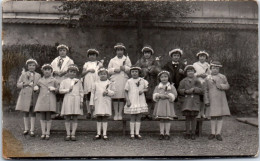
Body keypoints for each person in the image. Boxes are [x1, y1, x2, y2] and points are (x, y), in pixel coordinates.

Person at [204, 61, 230, 141]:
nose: (215, 70)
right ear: (210, 69)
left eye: (217, 68)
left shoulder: (222, 77)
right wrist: (206, 100)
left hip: (220, 98)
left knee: (219, 116)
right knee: (213, 115)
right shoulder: (207, 78)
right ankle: (212, 133)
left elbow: (227, 86)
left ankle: (218, 133)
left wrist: (221, 86)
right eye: (213, 68)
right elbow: (205, 90)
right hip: (211, 98)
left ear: (219, 69)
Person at [15, 59, 41, 137]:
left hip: (34, 95)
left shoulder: (38, 75)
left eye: (33, 65)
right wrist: (26, 84)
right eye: (30, 65)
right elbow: (18, 84)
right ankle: (26, 129)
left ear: (35, 67)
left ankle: (32, 130)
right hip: (25, 95)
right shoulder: (23, 74)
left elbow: (40, 84)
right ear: (27, 66)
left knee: (33, 112)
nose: (31, 67)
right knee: (25, 112)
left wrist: (37, 87)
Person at [135, 45, 161, 120]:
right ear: (143, 54)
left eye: (148, 53)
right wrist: (144, 70)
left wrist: (153, 68)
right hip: (142, 81)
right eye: (145, 53)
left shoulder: (155, 61)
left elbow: (159, 70)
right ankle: (143, 113)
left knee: (151, 97)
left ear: (151, 54)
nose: (147, 54)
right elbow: (135, 69)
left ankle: (151, 113)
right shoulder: (140, 61)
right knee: (143, 97)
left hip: (152, 82)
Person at [178, 65, 203, 140]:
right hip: (186, 101)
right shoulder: (183, 81)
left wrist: (195, 89)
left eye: (192, 71)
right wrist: (185, 91)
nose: (190, 72)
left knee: (194, 117)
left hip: (194, 101)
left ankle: (193, 132)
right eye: (188, 71)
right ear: (186, 73)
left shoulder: (197, 80)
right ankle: (187, 132)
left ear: (194, 72)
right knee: (187, 117)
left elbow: (201, 90)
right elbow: (179, 90)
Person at [34, 64, 59, 140]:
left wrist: (54, 89)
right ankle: (43, 132)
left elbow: (58, 90)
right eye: (45, 70)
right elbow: (37, 90)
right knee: (42, 116)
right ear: (43, 71)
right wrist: (36, 88)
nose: (47, 71)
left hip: (50, 99)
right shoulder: (40, 80)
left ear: (51, 71)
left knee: (48, 115)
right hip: (42, 99)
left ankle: (47, 132)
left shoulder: (54, 80)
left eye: (48, 70)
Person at [59, 64, 83, 141]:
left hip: (76, 99)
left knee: (75, 116)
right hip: (68, 99)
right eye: (71, 71)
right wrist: (67, 90)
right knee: (68, 116)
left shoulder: (78, 81)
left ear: (76, 73)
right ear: (68, 72)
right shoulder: (64, 81)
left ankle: (73, 133)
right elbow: (60, 90)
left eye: (74, 72)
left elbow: (81, 91)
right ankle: (68, 133)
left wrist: (81, 101)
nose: (72, 73)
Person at [108, 43, 132, 120]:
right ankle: (116, 113)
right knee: (115, 96)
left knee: (121, 96)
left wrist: (124, 68)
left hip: (123, 79)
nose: (119, 52)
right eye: (118, 50)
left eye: (121, 50)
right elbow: (108, 70)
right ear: (116, 51)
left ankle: (120, 113)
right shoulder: (112, 60)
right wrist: (115, 70)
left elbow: (130, 70)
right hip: (115, 79)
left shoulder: (127, 59)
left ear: (123, 51)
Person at [90, 68, 115, 141]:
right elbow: (92, 93)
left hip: (106, 102)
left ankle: (104, 133)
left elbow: (113, 92)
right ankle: (98, 133)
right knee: (98, 117)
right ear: (98, 75)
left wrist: (107, 92)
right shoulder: (95, 83)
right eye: (101, 74)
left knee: (104, 117)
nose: (103, 75)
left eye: (104, 74)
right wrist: (92, 103)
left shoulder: (110, 83)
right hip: (97, 102)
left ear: (107, 75)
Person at [124, 66, 148, 139]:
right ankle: (132, 133)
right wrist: (127, 100)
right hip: (132, 99)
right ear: (131, 73)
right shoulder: (129, 81)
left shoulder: (142, 80)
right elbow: (125, 91)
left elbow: (146, 88)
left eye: (136, 72)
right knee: (133, 116)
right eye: (133, 72)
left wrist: (143, 90)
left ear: (139, 73)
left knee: (139, 116)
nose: (134, 73)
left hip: (140, 100)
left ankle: (137, 133)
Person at [51, 44, 74, 118]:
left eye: (64, 50)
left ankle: (64, 113)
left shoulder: (70, 61)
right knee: (57, 97)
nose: (62, 52)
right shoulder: (55, 60)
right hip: (57, 79)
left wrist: (65, 72)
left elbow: (72, 69)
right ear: (58, 52)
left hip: (65, 79)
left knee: (65, 96)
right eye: (60, 50)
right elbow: (51, 69)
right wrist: (55, 72)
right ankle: (57, 112)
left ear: (66, 51)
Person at [153, 71, 177, 140]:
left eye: (165, 77)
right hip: (160, 104)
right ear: (159, 78)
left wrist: (169, 96)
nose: (164, 78)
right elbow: (154, 94)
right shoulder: (158, 87)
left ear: (168, 78)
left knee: (167, 119)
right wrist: (159, 95)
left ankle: (167, 133)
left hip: (168, 104)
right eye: (162, 77)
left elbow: (175, 95)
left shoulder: (171, 87)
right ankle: (161, 133)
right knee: (162, 119)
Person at [82, 49, 103, 119]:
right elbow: (83, 73)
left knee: (95, 96)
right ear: (88, 56)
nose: (92, 56)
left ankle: (95, 112)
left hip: (96, 81)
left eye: (93, 55)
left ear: (96, 56)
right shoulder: (86, 64)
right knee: (88, 96)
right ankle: (89, 112)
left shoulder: (99, 63)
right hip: (88, 81)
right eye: (90, 55)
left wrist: (100, 67)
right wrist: (88, 70)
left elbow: (102, 72)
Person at [193, 51, 211, 118]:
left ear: (206, 57)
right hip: (198, 82)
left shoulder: (208, 65)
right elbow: (192, 73)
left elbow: (210, 74)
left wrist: (206, 75)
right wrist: (199, 75)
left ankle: (202, 112)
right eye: (200, 56)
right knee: (197, 98)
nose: (202, 58)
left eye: (203, 56)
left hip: (205, 82)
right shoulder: (195, 64)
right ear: (198, 57)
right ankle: (197, 113)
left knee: (204, 98)